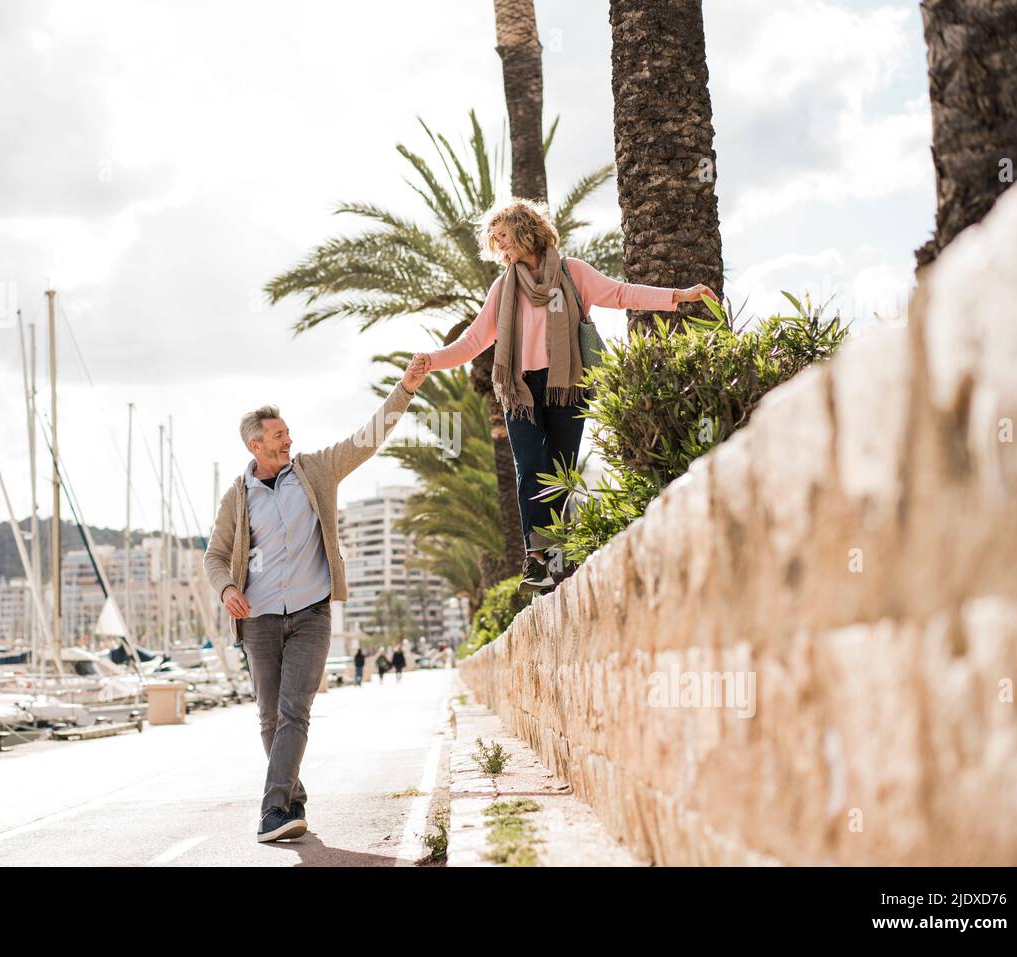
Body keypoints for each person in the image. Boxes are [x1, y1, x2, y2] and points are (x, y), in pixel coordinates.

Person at [411, 198, 711, 595]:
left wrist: (679, 295)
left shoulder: (572, 274)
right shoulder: (503, 288)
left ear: (525, 229)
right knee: (530, 465)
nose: (500, 246)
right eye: (495, 240)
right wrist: (430, 360)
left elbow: (621, 294)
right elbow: (473, 340)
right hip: (521, 390)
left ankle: (557, 556)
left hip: (567, 385)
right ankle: (536, 558)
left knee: (560, 470)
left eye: (504, 236)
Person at [204, 362, 425, 844]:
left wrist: (404, 391)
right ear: (254, 446)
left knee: (295, 711)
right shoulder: (236, 498)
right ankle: (293, 796)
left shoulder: (314, 471)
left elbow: (364, 441)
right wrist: (226, 588)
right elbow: (215, 556)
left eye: (288, 433)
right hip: (259, 619)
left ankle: (271, 810)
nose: (288, 440)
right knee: (268, 717)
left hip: (311, 613)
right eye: (278, 436)